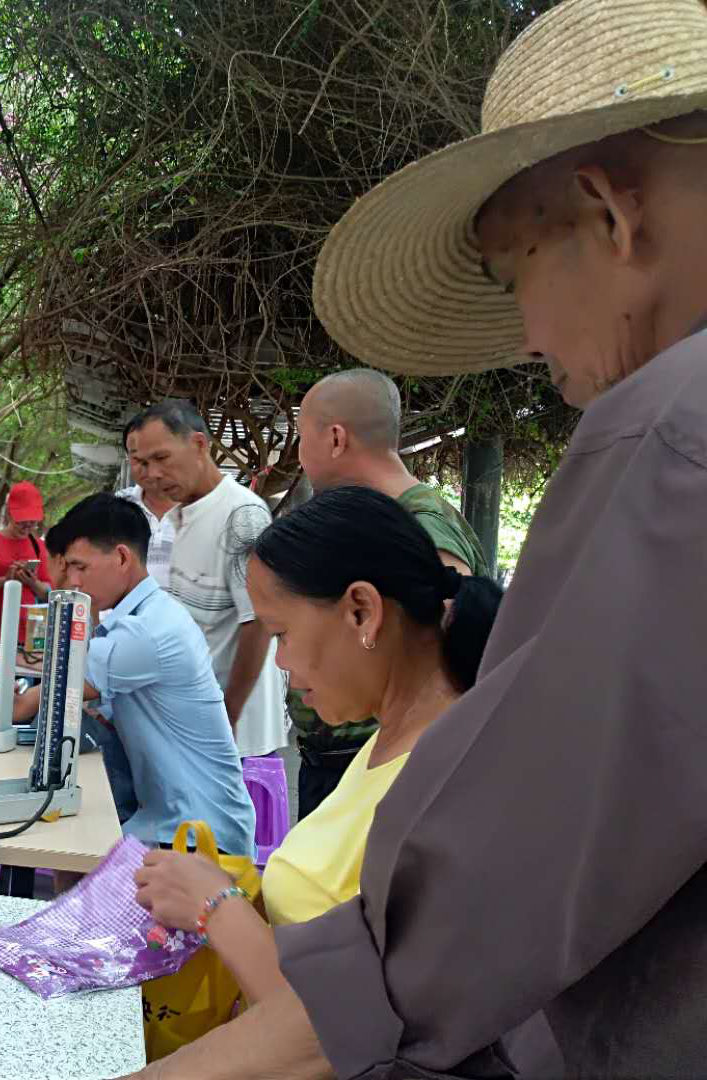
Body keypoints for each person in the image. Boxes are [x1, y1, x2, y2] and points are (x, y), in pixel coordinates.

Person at [116, 2, 707, 1076]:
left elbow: (426, 963)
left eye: (512, 276)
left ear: (609, 213)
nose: (527, 338)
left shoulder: (669, 431)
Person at [133, 486, 503, 1012]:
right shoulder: (391, 737)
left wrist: (216, 905)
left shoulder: (444, 785)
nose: (281, 661)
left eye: (281, 634)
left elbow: (350, 1029)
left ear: (361, 612)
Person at [290, 369, 492, 818]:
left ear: (336, 439)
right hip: (349, 763)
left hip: (387, 770)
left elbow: (442, 667)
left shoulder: (423, 528)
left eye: (302, 438)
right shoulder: (385, 520)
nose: (300, 455)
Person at [13, 494, 257, 856]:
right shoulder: (144, 615)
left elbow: (36, 700)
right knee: (74, 842)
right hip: (171, 823)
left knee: (72, 850)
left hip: (196, 838)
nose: (73, 580)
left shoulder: (144, 632)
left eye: (80, 567)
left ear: (122, 558)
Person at [131, 400, 288, 761]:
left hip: (235, 739)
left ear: (199, 445)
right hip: (195, 723)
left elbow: (258, 622)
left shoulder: (241, 515)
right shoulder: (180, 515)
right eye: (143, 463)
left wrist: (227, 716)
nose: (152, 474)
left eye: (162, 458)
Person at [0, 480, 53, 643]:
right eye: (22, 522)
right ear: (9, 514)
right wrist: (6, 579)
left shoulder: (39, 547)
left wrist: (33, 582)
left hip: (31, 636)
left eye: (32, 522)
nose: (27, 527)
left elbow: (49, 593)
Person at [116, 411, 177, 587]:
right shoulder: (115, 507)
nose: (149, 468)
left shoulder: (204, 509)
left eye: (158, 456)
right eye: (137, 458)